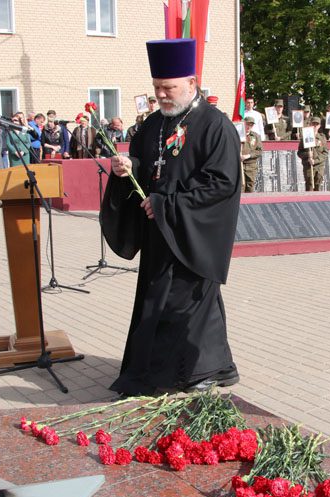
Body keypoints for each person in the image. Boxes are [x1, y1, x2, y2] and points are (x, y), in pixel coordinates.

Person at [101, 38, 241, 397]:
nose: (162, 94)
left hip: (192, 232)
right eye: (157, 88)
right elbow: (147, 167)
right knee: (176, 302)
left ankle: (191, 372)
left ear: (191, 83)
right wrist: (126, 168)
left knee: (187, 303)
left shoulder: (215, 125)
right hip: (158, 234)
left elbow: (222, 183)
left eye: (169, 87)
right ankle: (214, 366)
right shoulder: (152, 125)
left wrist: (166, 204)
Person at [297, 116, 328, 191]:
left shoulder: (322, 137)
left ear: (319, 126)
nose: (314, 126)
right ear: (310, 124)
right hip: (308, 166)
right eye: (313, 124)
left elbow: (325, 153)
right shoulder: (305, 137)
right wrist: (307, 154)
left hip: (319, 166)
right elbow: (299, 153)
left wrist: (316, 160)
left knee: (318, 186)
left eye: (316, 124)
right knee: (309, 186)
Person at [241, 115, 262, 192]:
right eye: (247, 124)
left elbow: (259, 151)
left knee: (250, 188)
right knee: (240, 188)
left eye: (251, 125)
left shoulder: (256, 136)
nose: (249, 127)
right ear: (243, 123)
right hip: (239, 165)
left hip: (251, 166)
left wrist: (248, 156)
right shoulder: (238, 135)